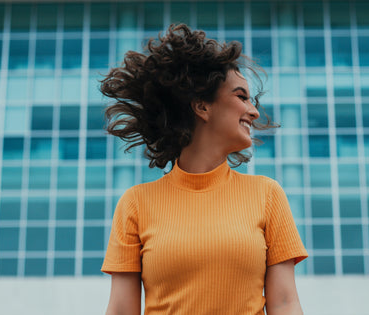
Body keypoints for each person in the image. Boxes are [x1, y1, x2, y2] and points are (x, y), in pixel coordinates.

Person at [100, 24, 308, 315]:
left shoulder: (267, 195)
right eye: (241, 96)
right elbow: (122, 310)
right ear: (202, 107)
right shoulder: (135, 204)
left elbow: (286, 303)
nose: (254, 111)